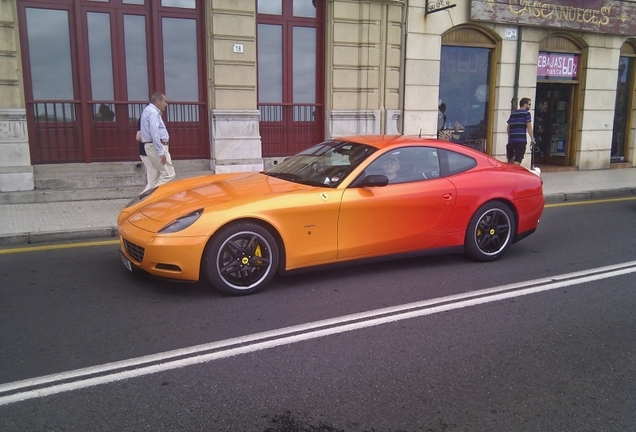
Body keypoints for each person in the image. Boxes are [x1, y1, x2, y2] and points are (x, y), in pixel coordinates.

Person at [139, 92, 175, 192]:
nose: (166, 104)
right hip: (155, 147)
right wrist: (161, 152)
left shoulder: (148, 111)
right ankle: (153, 195)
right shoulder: (153, 113)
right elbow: (154, 132)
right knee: (169, 174)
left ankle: (140, 202)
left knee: (154, 179)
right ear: (158, 101)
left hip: (151, 146)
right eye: (165, 101)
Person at [506, 97, 535, 165]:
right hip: (521, 140)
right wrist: (532, 138)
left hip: (512, 140)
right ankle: (514, 174)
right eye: (529, 104)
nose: (530, 106)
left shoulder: (513, 113)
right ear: (525, 104)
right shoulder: (526, 114)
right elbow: (529, 127)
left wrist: (510, 137)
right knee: (518, 159)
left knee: (510, 159)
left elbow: (508, 127)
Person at [136, 118, 157, 194]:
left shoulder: (147, 116)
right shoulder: (146, 117)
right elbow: (138, 137)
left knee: (152, 178)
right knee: (153, 180)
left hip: (148, 152)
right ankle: (142, 199)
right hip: (147, 153)